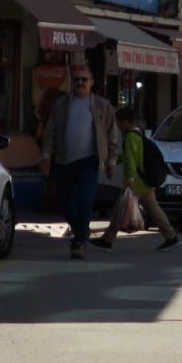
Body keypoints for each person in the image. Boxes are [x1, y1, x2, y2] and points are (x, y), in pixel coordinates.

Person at [41, 65, 120, 260]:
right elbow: (50, 131)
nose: (80, 83)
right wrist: (46, 155)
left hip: (89, 161)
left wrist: (111, 160)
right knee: (65, 203)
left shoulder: (102, 106)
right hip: (64, 160)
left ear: (92, 83)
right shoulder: (61, 105)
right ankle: (80, 232)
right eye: (77, 80)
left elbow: (112, 134)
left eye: (84, 79)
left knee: (85, 201)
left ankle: (79, 241)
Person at [93, 107, 179, 252]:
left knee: (120, 209)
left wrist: (130, 178)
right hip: (143, 181)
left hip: (136, 183)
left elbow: (132, 160)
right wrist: (115, 161)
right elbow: (129, 156)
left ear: (125, 122)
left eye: (118, 123)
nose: (118, 127)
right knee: (152, 209)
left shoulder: (130, 138)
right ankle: (170, 236)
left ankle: (107, 239)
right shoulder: (139, 134)